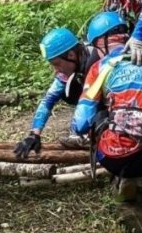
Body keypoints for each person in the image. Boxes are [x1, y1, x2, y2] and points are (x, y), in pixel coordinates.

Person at [70, 11, 142, 233]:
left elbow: (80, 123)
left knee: (100, 114)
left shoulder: (100, 68)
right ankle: (140, 179)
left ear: (102, 43)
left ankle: (125, 181)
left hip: (117, 156)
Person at [14, 27, 94, 160]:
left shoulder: (97, 61)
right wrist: (34, 134)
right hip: (89, 90)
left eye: (57, 64)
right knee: (66, 90)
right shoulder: (69, 66)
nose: (55, 71)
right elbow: (48, 100)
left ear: (71, 55)